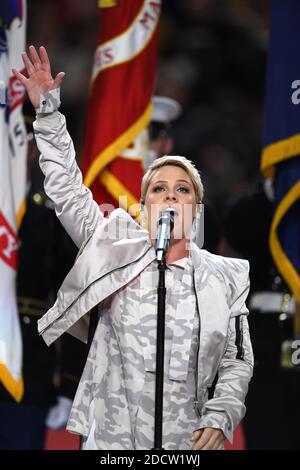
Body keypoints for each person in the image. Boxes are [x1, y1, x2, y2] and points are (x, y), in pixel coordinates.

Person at [13, 45, 253, 451]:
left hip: (184, 443)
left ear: (196, 209)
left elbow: (236, 360)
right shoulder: (113, 247)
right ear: (144, 206)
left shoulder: (227, 276)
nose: (171, 197)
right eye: (159, 189)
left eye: (182, 191)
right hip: (111, 441)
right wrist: (49, 114)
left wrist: (222, 413)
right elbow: (69, 191)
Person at [0, 103, 86, 450]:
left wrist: (68, 383)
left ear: (31, 148)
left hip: (28, 374)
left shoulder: (51, 220)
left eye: (18, 141)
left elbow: (75, 303)